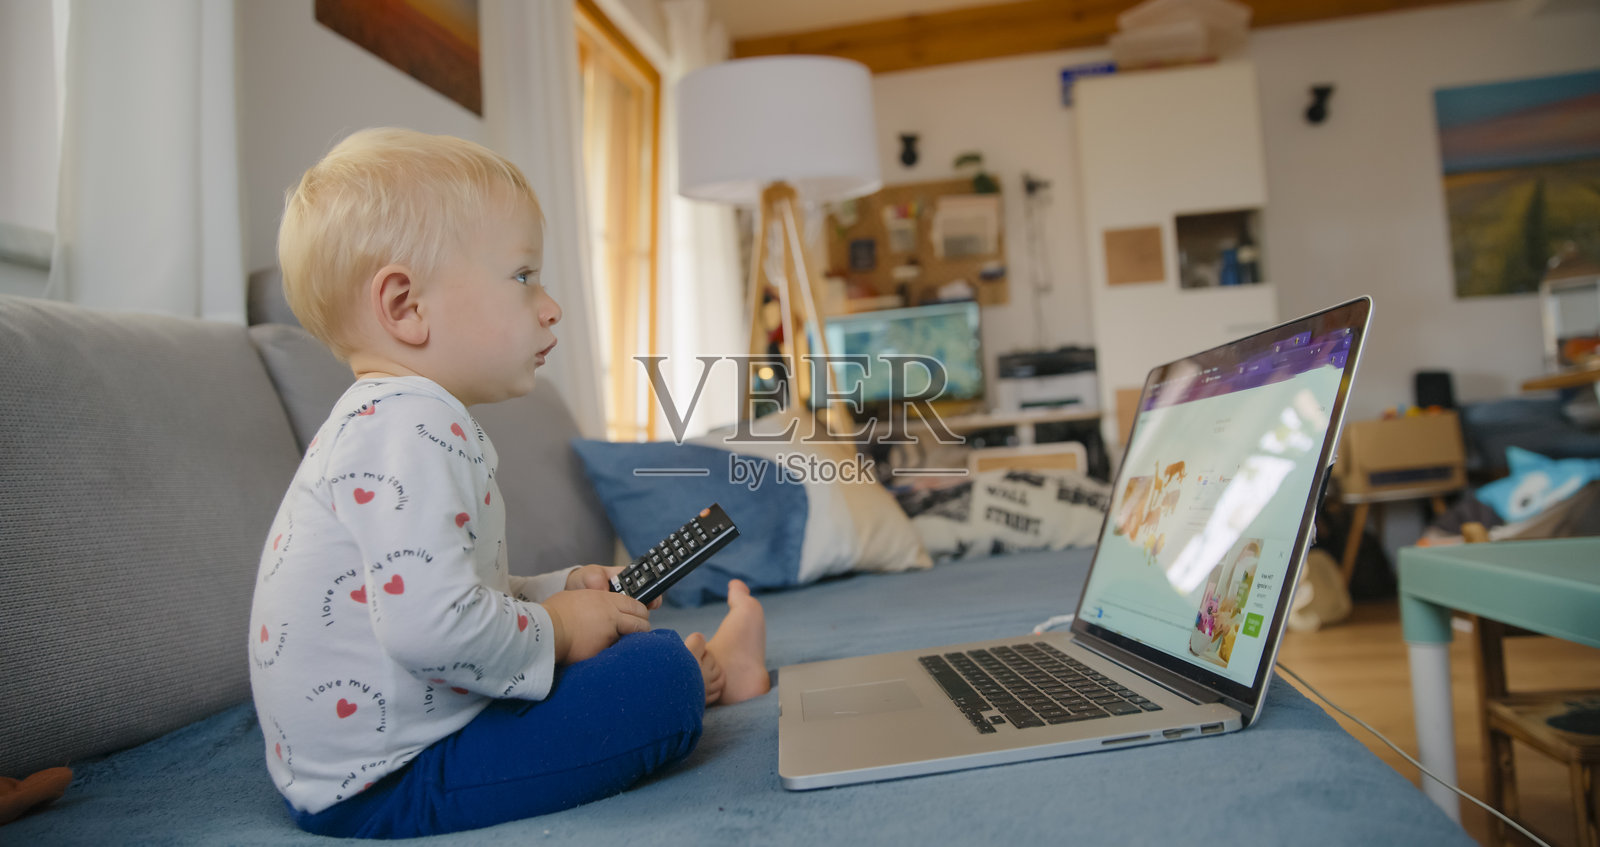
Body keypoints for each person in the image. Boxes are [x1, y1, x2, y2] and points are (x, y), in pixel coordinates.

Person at [249, 127, 769, 839]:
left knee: (605, 631)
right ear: (406, 307)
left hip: (367, 765)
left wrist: (554, 590)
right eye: (524, 276)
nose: (551, 305)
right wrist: (554, 626)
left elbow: (441, 593)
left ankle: (703, 663)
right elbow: (433, 628)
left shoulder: (388, 420)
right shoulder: (411, 424)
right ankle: (704, 675)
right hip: (393, 783)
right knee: (653, 676)